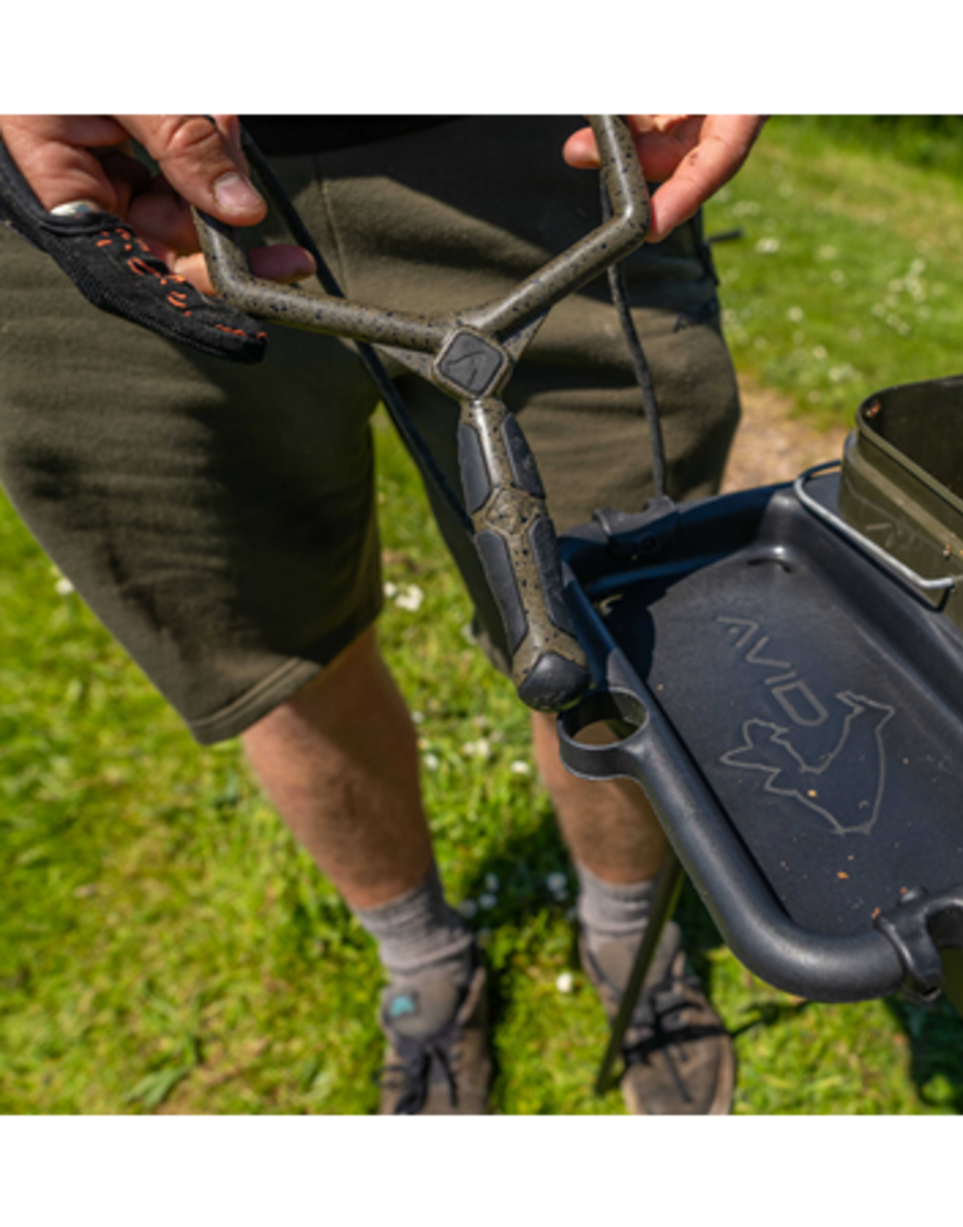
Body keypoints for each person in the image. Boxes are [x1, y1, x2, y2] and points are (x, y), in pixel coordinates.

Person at [0, 109, 770, 1119]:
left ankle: (630, 938)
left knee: (612, 635)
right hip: (111, 181)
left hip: (529, 155)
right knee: (276, 646)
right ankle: (426, 967)